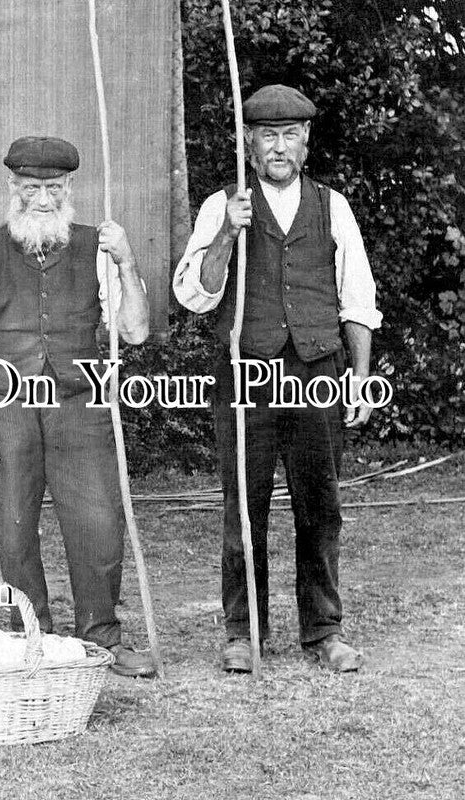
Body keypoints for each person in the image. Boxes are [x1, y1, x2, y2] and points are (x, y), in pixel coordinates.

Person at [173, 84, 381, 673]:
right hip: (246, 376)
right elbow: (193, 294)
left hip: (318, 372)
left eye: (291, 135)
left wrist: (361, 379)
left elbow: (357, 298)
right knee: (246, 507)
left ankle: (324, 632)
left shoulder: (331, 205)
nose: (280, 147)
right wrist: (228, 235)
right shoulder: (224, 206)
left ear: (307, 141)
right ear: (249, 141)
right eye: (268, 136)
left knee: (321, 505)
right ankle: (244, 633)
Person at [0, 135, 157, 678]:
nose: (42, 199)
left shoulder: (98, 246)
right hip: (8, 401)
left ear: (70, 189)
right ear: (12, 188)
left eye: (54, 188)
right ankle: (30, 633)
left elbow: (133, 331)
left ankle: (101, 635)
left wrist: (127, 259)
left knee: (97, 520)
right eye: (31, 188)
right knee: (14, 524)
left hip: (81, 400)